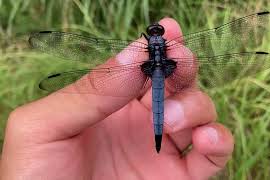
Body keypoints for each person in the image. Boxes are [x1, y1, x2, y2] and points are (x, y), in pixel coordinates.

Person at [0, 18, 234, 180]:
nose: (155, 35)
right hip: (164, 70)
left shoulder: (146, 47)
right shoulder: (165, 46)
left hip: (154, 70)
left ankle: (157, 141)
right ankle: (157, 140)